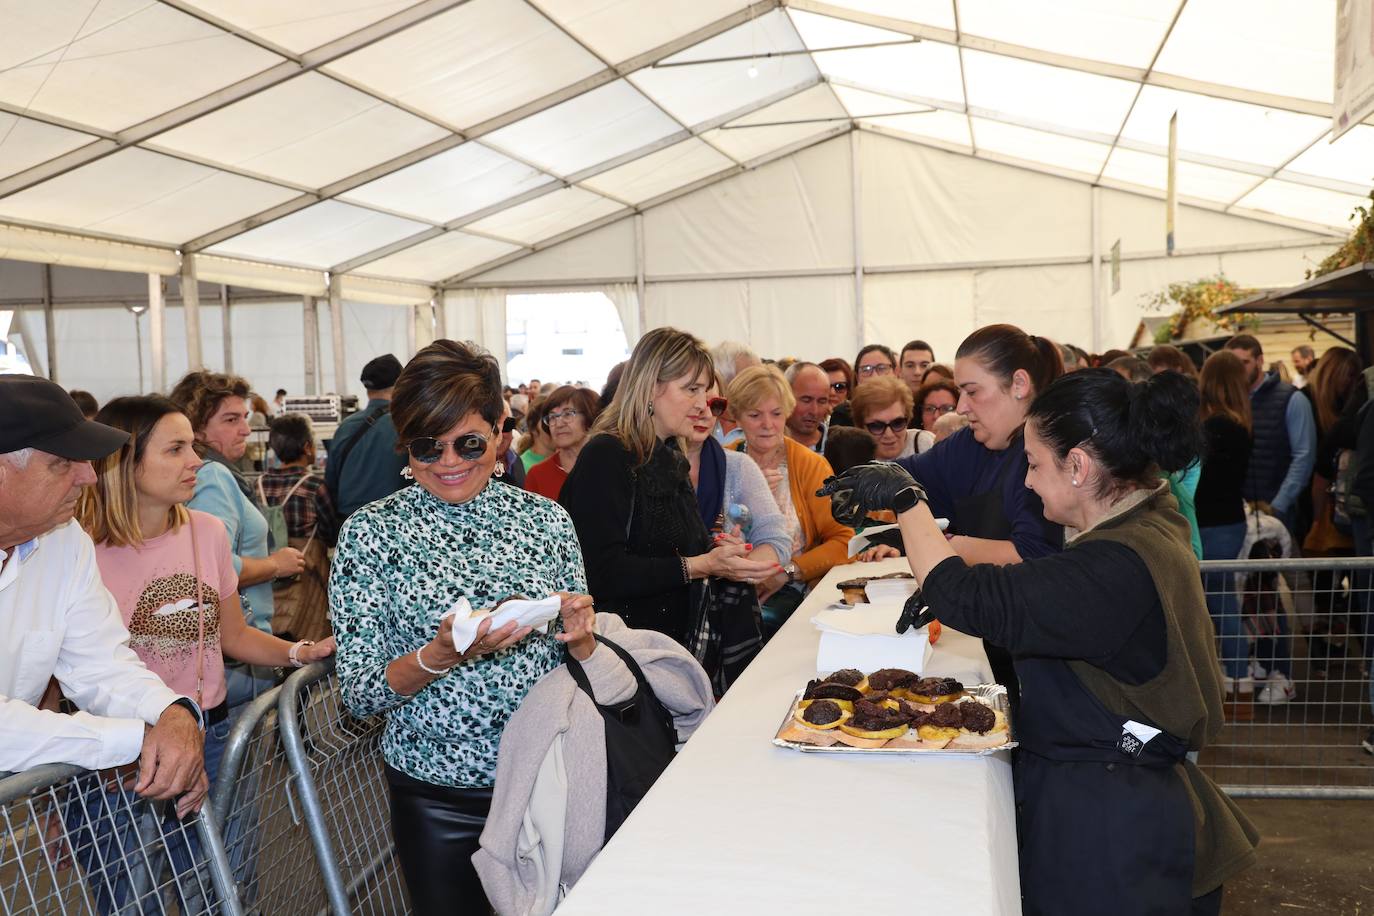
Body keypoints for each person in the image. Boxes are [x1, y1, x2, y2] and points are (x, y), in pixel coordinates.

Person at [819, 369, 1258, 916]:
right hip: (1106, 800)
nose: (1026, 482)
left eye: (1033, 464)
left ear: (1077, 466)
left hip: (1113, 834)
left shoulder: (1119, 561)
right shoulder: (1143, 525)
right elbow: (1040, 590)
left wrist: (909, 503)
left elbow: (971, 595)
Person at [329, 339, 597, 914]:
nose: (449, 462)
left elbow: (577, 654)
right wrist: (440, 655)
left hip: (548, 775)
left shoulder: (546, 519)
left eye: (468, 442)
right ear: (404, 446)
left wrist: (582, 633)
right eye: (427, 448)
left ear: (501, 429)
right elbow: (358, 693)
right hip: (437, 796)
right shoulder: (370, 534)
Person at [71, 395, 335, 912]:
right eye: (176, 449)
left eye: (193, 446)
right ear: (126, 460)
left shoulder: (207, 533)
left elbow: (232, 636)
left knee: (222, 887)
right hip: (114, 753)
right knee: (126, 895)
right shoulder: (78, 548)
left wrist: (300, 652)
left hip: (208, 737)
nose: (196, 462)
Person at [0, 377, 206, 809]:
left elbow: (100, 663)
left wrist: (172, 714)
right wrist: (136, 738)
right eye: (62, 463)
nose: (90, 476)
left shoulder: (63, 539)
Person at [876, 325, 1066, 711]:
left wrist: (951, 552)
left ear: (1019, 384)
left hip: (1036, 663)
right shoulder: (972, 444)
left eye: (973, 392)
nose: (961, 407)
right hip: (987, 639)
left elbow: (1035, 557)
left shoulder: (1049, 456)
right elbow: (907, 474)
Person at [561, 328, 778, 652]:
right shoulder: (607, 455)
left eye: (704, 391)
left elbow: (679, 549)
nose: (703, 405)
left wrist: (721, 552)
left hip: (670, 652)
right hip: (624, 656)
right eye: (691, 389)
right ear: (650, 387)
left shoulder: (669, 457)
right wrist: (702, 564)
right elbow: (600, 571)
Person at [169, 370, 304, 705]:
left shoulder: (210, 474)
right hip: (235, 663)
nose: (244, 428)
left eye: (244, 417)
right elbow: (214, 567)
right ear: (195, 427)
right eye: (230, 419)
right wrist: (275, 564)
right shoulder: (213, 476)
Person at [728, 364, 854, 634]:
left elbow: (844, 541)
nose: (767, 424)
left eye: (776, 413)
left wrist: (786, 572)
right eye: (754, 415)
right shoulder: (723, 462)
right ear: (736, 417)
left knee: (756, 623)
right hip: (729, 584)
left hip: (791, 587)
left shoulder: (810, 465)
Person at [1195, 352, 1254, 704]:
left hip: (1211, 525)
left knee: (1218, 604)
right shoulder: (1240, 423)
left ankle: (1235, 678)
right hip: (1230, 520)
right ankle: (1237, 677)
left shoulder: (1215, 427)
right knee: (1223, 601)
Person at [1226, 334, 1316, 543]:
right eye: (1233, 364)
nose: (1239, 370)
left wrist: (1278, 505)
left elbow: (1304, 456)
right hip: (1237, 514)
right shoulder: (1228, 401)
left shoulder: (1292, 399)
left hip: (1279, 511)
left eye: (1245, 362)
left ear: (1259, 361)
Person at [259, 413, 339, 641]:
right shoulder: (314, 485)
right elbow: (330, 531)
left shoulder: (258, 484)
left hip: (267, 572)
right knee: (308, 636)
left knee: (272, 632)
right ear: (307, 447)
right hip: (307, 572)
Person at [325, 354, 407, 520]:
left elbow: (330, 482)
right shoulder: (406, 424)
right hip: (394, 518)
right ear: (400, 384)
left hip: (350, 520)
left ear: (367, 389)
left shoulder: (346, 426)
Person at [524, 385, 600, 502]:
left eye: (568, 414)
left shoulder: (606, 469)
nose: (558, 424)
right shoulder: (538, 475)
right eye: (552, 417)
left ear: (588, 417)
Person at [850, 376, 918, 460]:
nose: (889, 434)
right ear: (861, 427)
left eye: (897, 423)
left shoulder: (924, 444)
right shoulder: (850, 457)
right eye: (877, 426)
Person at [710, 341, 762, 447]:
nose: (761, 387)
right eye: (751, 380)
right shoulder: (698, 421)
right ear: (722, 381)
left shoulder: (766, 428)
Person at [783, 361, 832, 453]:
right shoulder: (763, 446)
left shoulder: (841, 449)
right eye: (806, 400)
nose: (814, 411)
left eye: (822, 401)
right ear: (786, 396)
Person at [819, 357, 855, 428]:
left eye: (840, 386)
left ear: (849, 390)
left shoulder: (857, 421)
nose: (832, 392)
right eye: (827, 386)